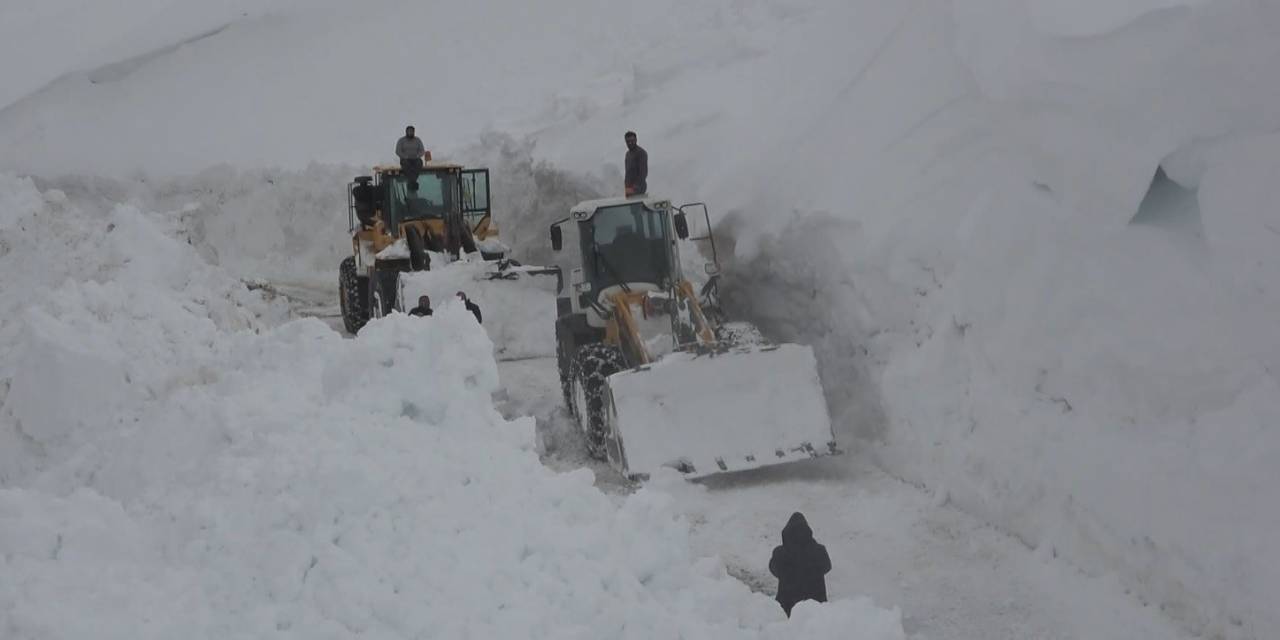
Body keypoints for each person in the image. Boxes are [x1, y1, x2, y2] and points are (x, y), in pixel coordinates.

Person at [768, 512, 832, 617]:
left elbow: (773, 569)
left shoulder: (780, 552)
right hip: (816, 603)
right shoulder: (819, 550)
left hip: (787, 604)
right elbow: (827, 567)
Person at [623, 130, 647, 196]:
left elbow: (643, 173)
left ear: (636, 140)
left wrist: (635, 188)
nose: (630, 143)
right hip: (629, 188)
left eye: (632, 141)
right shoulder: (628, 154)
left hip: (638, 188)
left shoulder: (641, 153)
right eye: (628, 141)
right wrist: (626, 188)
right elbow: (627, 173)